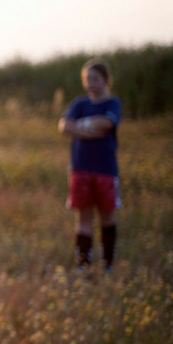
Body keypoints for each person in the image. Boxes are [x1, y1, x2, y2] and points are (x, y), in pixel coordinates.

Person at [58, 58, 122, 274]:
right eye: (87, 79)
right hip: (80, 169)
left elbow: (107, 124)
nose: (91, 83)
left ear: (105, 79)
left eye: (95, 79)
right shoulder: (79, 104)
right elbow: (64, 126)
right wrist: (88, 129)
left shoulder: (112, 103)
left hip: (104, 170)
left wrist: (80, 127)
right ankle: (83, 265)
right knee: (83, 217)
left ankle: (108, 263)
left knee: (107, 216)